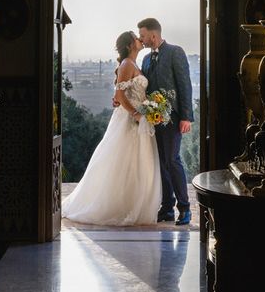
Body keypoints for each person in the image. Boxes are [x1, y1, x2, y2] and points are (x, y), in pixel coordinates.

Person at [60, 31, 162, 226]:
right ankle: (116, 206)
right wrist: (136, 114)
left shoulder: (134, 64)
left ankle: (133, 204)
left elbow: (125, 94)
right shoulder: (126, 64)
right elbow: (120, 96)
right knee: (122, 161)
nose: (140, 39)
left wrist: (150, 108)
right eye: (136, 37)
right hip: (129, 119)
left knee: (138, 163)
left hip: (140, 117)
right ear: (130, 45)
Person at [138, 17, 193, 225]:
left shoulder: (175, 52)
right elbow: (142, 87)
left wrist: (186, 116)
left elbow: (185, 85)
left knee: (172, 160)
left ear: (153, 35)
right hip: (153, 118)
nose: (141, 39)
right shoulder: (145, 59)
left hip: (174, 117)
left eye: (143, 35)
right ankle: (167, 208)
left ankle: (185, 208)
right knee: (161, 162)